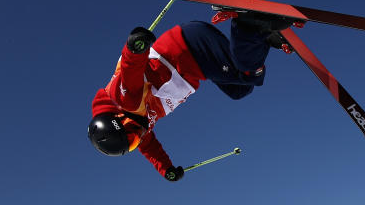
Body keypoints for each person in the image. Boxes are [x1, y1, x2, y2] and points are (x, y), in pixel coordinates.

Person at [88, 12, 292, 181]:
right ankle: (262, 35)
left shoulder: (126, 102)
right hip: (196, 60)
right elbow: (149, 148)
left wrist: (134, 49)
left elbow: (129, 72)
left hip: (189, 51)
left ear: (119, 121)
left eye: (132, 138)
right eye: (133, 144)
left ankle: (248, 25)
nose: (138, 139)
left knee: (246, 74)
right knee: (238, 90)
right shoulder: (139, 127)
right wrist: (165, 169)